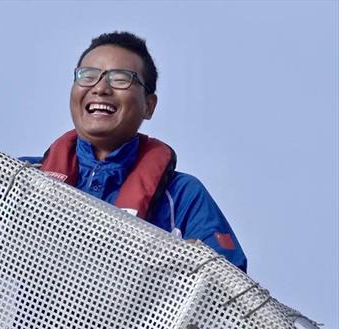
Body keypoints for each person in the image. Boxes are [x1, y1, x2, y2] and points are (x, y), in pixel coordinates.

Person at [22, 31, 247, 271]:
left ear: (149, 106)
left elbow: (230, 285)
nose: (100, 88)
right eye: (87, 76)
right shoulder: (23, 176)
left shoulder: (183, 196)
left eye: (120, 79)